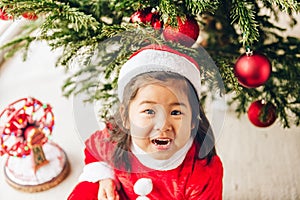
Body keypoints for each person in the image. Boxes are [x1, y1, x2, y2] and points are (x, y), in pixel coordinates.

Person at [68, 44, 223, 200]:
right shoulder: (115, 137)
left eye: (176, 112)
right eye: (149, 111)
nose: (163, 125)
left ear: (193, 120)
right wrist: (105, 178)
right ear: (126, 117)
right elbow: (94, 152)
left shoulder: (202, 171)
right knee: (85, 192)